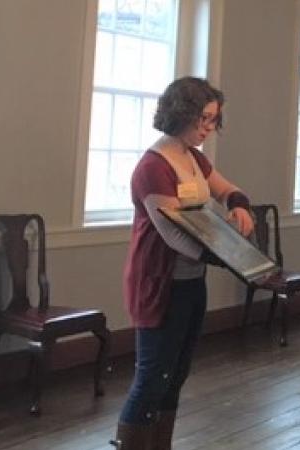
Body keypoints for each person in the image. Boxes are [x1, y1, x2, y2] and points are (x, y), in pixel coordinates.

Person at [111, 76, 254, 450]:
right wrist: (233, 258)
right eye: (203, 119)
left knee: (176, 374)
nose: (209, 128)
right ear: (181, 114)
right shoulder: (152, 167)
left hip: (191, 280)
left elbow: (226, 189)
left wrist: (239, 204)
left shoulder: (194, 157)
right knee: (151, 376)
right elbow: (172, 234)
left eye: (213, 120)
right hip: (158, 282)